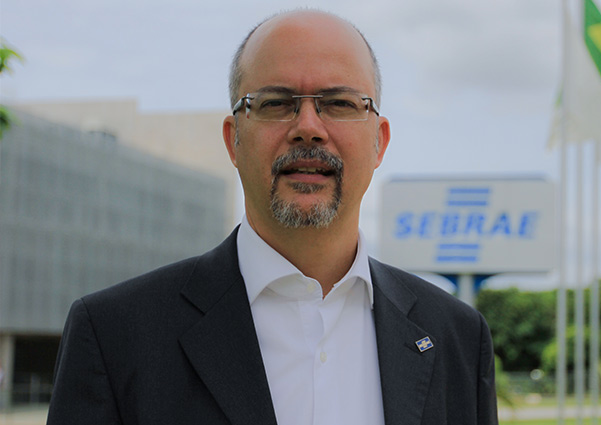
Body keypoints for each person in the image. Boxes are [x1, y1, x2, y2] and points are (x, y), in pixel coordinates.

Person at [47, 10, 499, 425]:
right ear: (234, 140)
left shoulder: (457, 338)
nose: (308, 127)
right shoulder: (114, 336)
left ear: (379, 142)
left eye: (339, 103)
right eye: (276, 103)